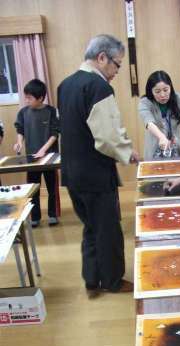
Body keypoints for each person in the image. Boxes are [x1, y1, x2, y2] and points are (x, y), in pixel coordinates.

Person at [57, 34, 139, 297]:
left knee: (91, 226)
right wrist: (128, 152)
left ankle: (92, 279)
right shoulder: (98, 87)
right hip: (95, 174)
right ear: (102, 57)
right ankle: (112, 281)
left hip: (72, 173)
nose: (116, 72)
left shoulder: (65, 85)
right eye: (117, 65)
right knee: (108, 229)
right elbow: (107, 137)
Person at [14, 79, 60, 227]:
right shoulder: (23, 112)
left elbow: (54, 133)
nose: (27, 100)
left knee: (52, 188)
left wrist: (43, 150)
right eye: (26, 97)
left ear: (40, 98)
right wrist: (19, 143)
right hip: (32, 158)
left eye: (30, 98)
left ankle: (53, 215)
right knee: (33, 189)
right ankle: (35, 217)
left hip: (49, 158)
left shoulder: (51, 111)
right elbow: (20, 130)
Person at [139, 70, 180, 160]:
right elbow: (149, 122)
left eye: (166, 90)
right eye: (157, 91)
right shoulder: (145, 102)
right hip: (154, 152)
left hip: (177, 150)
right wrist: (161, 137)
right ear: (151, 91)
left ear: (170, 87)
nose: (162, 95)